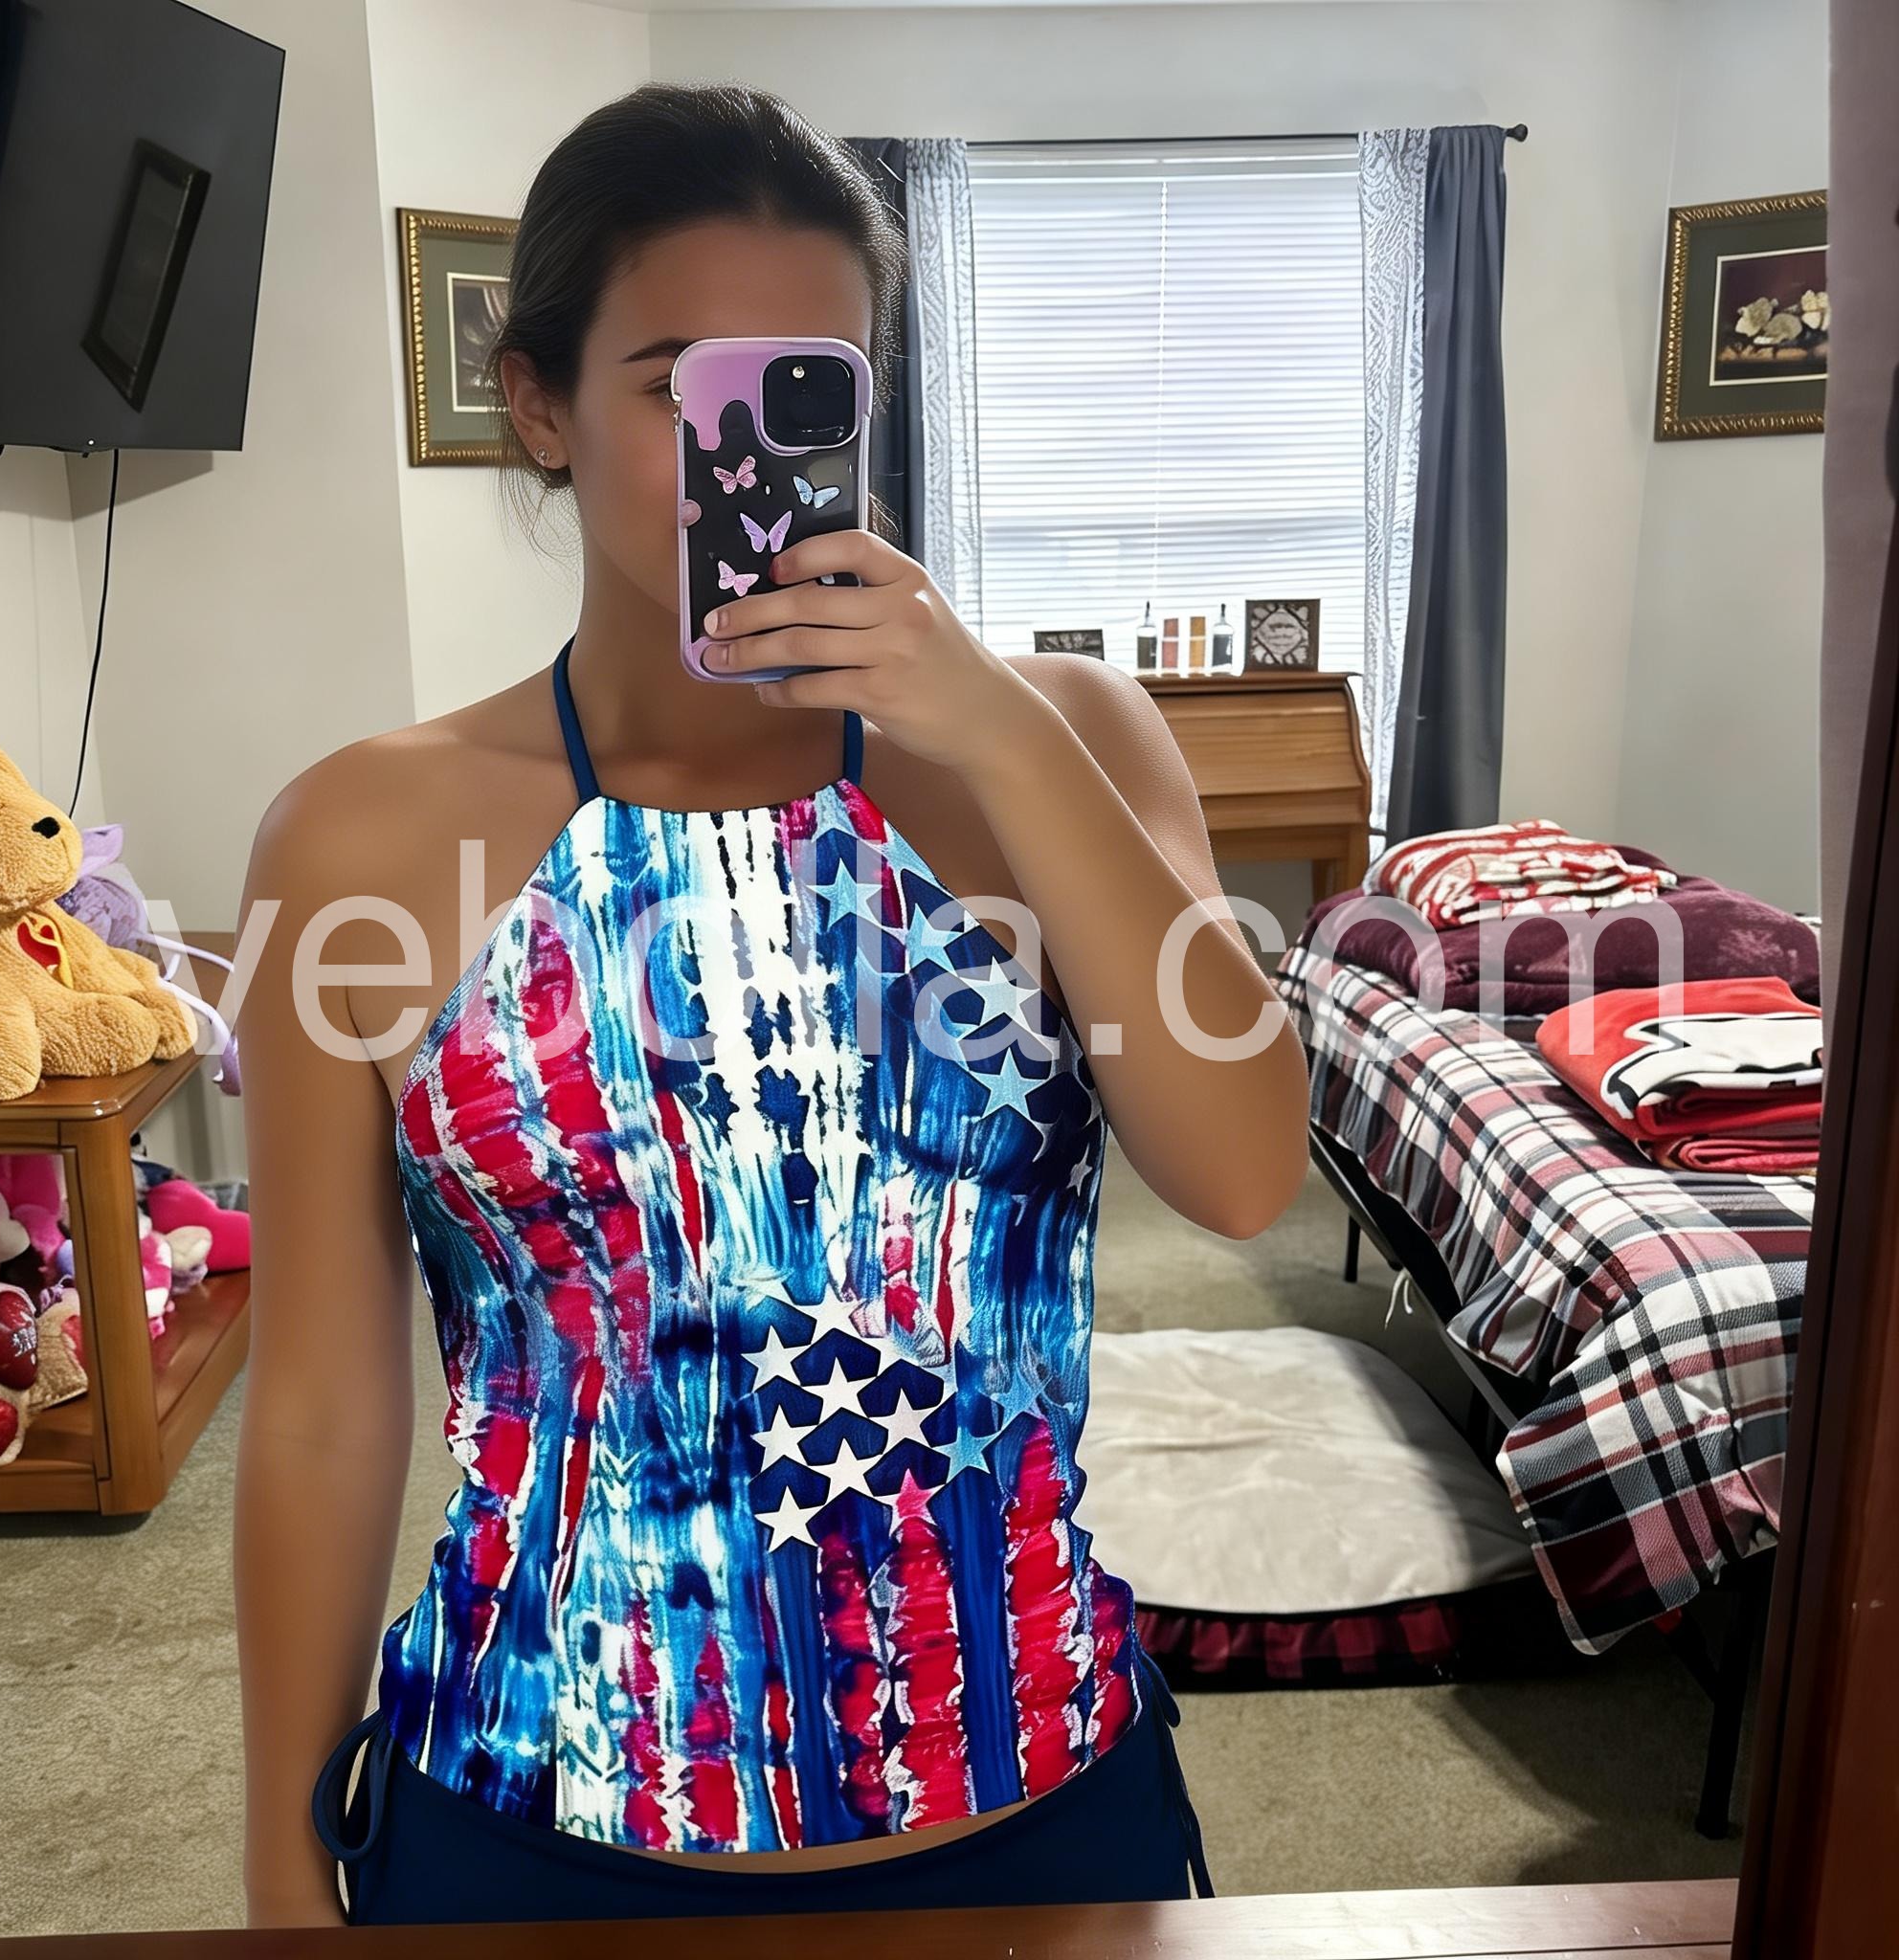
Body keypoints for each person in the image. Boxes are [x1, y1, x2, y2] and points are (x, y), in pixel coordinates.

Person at [234, 80, 1309, 1929]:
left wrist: (992, 729)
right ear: (539, 405)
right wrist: (276, 1852)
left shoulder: (1059, 743)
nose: (746, 452)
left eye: (810, 388)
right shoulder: (363, 835)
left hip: (1042, 1804)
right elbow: (326, 1405)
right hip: (531, 1828)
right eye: (677, 384)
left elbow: (1243, 1172)